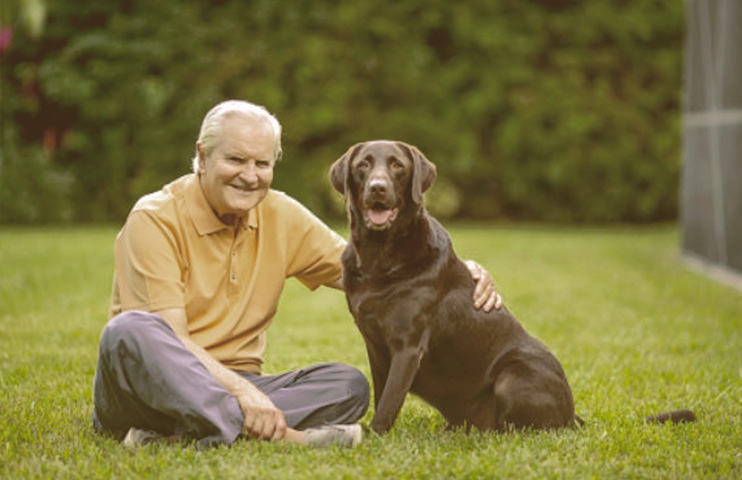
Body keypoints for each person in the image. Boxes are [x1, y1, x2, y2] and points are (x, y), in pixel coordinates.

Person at [92, 99, 502, 449]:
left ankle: (176, 434)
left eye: (262, 163)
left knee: (348, 384)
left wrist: (453, 272)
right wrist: (241, 393)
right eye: (235, 160)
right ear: (202, 156)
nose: (249, 175)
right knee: (129, 329)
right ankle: (290, 438)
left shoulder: (279, 212)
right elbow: (173, 344)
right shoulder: (155, 218)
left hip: (241, 382)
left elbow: (365, 272)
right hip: (148, 384)